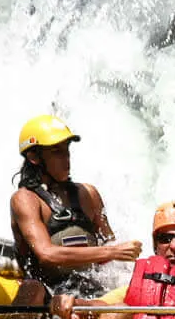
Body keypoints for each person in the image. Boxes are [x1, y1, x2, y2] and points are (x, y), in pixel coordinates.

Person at [10, 114, 142, 305]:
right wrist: (111, 252)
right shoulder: (25, 199)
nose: (66, 159)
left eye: (67, 151)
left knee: (122, 298)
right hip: (48, 293)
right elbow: (46, 254)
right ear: (34, 157)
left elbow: (113, 256)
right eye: (57, 152)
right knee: (32, 289)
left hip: (90, 290)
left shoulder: (88, 194)